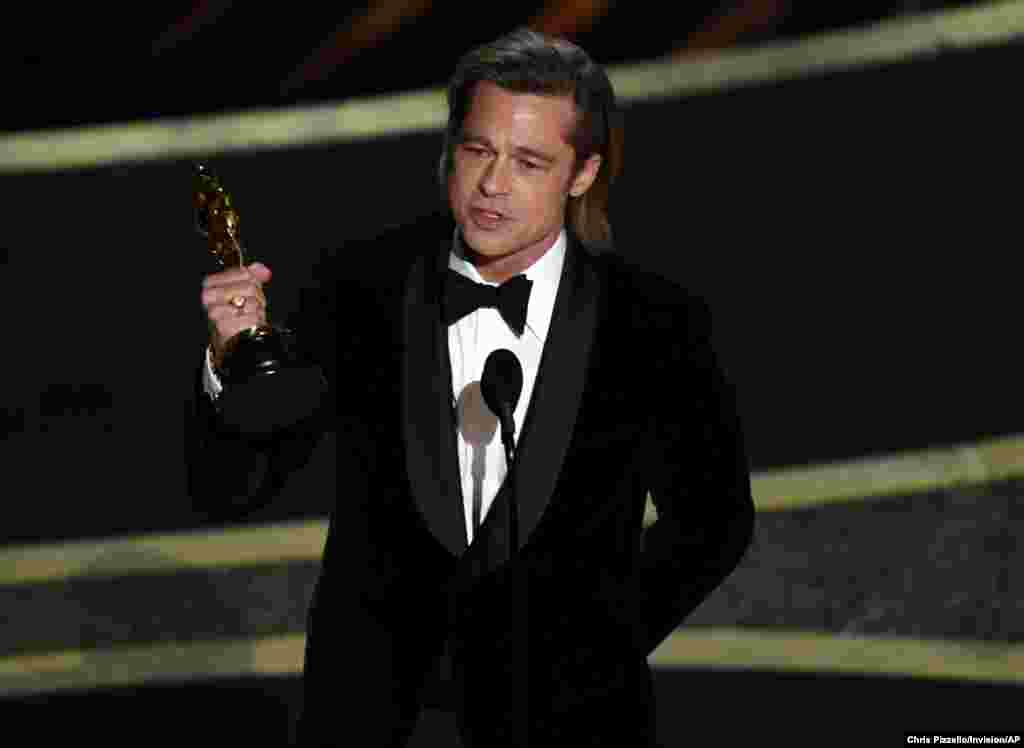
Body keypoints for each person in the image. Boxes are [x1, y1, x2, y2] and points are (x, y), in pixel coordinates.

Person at [189, 28, 755, 747]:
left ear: (581, 173)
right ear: (450, 148)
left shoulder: (654, 323)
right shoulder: (359, 288)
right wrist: (228, 362)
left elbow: (715, 521)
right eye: (479, 151)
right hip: (379, 726)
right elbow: (232, 489)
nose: (493, 186)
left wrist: (598, 653)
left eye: (528, 162)